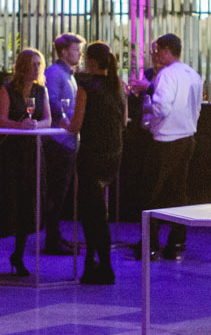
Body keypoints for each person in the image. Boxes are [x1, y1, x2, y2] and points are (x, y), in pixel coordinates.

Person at [128, 33, 203, 260]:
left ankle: (149, 245)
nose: (154, 55)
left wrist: (147, 106)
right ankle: (177, 243)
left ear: (166, 50)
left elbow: (161, 108)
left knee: (150, 194)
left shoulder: (166, 75)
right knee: (178, 194)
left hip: (165, 139)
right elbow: (196, 108)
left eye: (156, 50)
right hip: (187, 137)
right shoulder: (192, 74)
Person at [0, 47, 51, 281]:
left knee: (28, 204)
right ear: (23, 66)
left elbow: (47, 119)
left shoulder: (41, 90)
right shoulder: (8, 89)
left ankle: (18, 255)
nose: (37, 68)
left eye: (39, 64)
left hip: (32, 153)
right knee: (7, 204)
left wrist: (36, 125)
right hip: (11, 154)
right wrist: (20, 126)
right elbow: (1, 119)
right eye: (33, 64)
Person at [70, 42, 126, 285]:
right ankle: (94, 262)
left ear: (91, 62)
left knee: (91, 213)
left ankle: (102, 264)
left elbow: (76, 124)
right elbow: (124, 120)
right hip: (113, 154)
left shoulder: (85, 85)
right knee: (99, 210)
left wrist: (64, 123)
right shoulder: (118, 85)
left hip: (91, 154)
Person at [41, 34, 84, 256]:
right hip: (58, 141)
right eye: (76, 49)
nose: (80, 53)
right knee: (56, 192)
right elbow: (52, 101)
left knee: (61, 192)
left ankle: (55, 236)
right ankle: (52, 240)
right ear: (64, 51)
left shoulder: (69, 75)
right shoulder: (55, 73)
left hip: (68, 140)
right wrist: (67, 117)